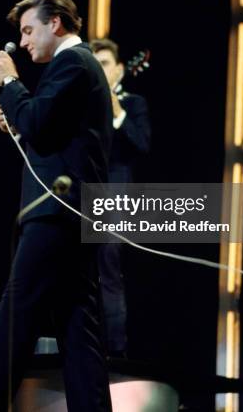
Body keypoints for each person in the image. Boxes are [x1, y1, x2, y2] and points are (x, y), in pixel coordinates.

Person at [0, 0, 113, 412]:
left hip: (57, 213)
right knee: (79, 335)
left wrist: (11, 84)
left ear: (57, 23)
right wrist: (18, 115)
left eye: (29, 30)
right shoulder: (77, 66)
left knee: (15, 321)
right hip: (74, 212)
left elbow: (39, 124)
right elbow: (45, 133)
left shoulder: (73, 62)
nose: (24, 42)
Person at [91, 38, 151, 356]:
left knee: (108, 273)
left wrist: (115, 109)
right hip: (77, 196)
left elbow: (141, 144)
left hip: (113, 197)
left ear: (119, 70)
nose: (97, 71)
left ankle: (115, 352)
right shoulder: (83, 106)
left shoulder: (134, 103)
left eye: (103, 64)